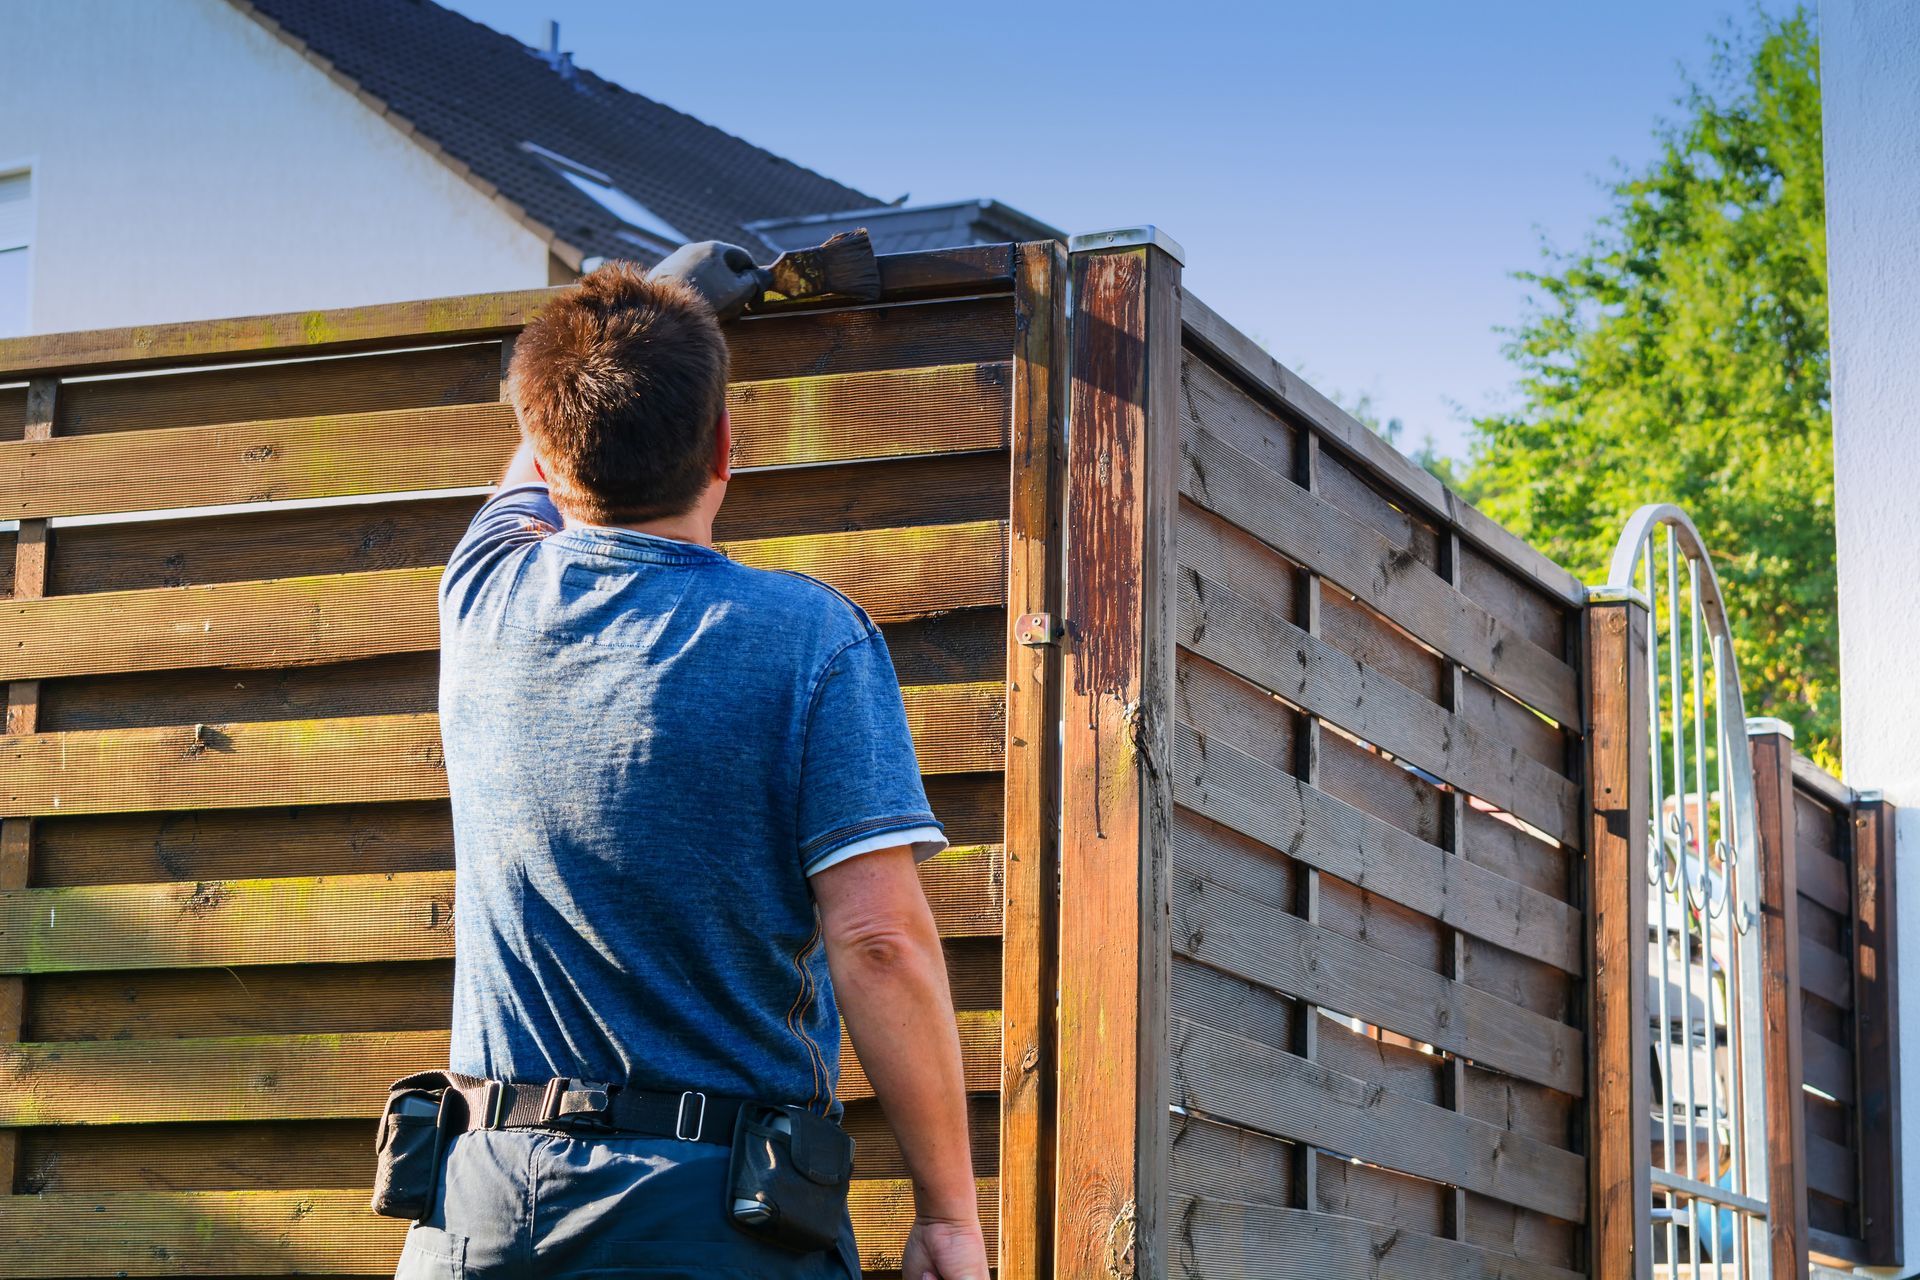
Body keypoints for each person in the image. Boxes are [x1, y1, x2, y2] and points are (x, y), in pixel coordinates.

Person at [400, 243, 990, 1280]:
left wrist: (658, 298)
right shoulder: (809, 638)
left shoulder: (480, 597)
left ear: (543, 447)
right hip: (711, 1219)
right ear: (726, 444)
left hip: (475, 1213)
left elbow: (527, 470)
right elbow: (880, 941)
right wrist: (948, 1213)